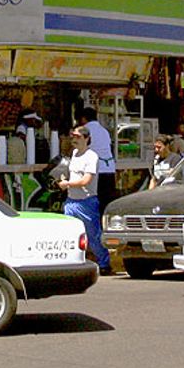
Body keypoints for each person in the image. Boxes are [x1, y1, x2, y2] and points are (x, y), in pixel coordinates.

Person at [59, 126, 112, 276]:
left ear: (86, 138)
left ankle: (104, 263)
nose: (73, 139)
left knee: (92, 234)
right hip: (71, 201)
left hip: (86, 202)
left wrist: (67, 184)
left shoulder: (92, 156)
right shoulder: (74, 153)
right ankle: (73, 262)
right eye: (72, 136)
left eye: (77, 136)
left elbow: (86, 180)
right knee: (70, 234)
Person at [79, 106, 117, 205]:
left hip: (96, 171)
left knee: (94, 201)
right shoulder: (104, 131)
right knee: (107, 201)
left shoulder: (85, 130)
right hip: (109, 169)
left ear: (83, 118)